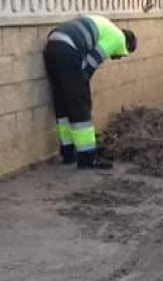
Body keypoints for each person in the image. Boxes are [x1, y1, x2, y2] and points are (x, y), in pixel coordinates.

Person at [43, 14, 137, 170]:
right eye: (121, 55)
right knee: (80, 105)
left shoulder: (106, 25)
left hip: (52, 46)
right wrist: (82, 86)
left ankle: (68, 152)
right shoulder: (118, 38)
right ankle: (87, 158)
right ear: (126, 46)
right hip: (68, 49)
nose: (118, 58)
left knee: (62, 103)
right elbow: (93, 60)